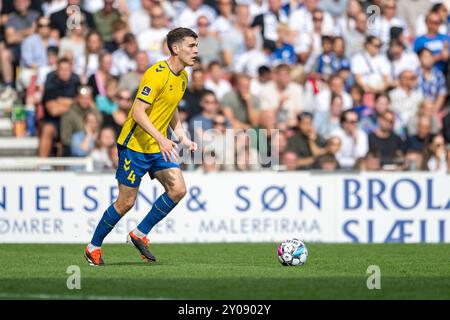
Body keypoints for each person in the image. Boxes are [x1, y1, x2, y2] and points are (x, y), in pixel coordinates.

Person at [84, 28, 199, 266]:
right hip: (135, 145)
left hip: (158, 146)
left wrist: (181, 135)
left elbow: (171, 107)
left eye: (196, 45)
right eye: (191, 45)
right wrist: (160, 137)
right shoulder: (156, 74)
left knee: (178, 190)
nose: (196, 50)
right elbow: (137, 112)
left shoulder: (183, 77)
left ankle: (139, 233)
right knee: (126, 202)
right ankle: (93, 246)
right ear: (176, 48)